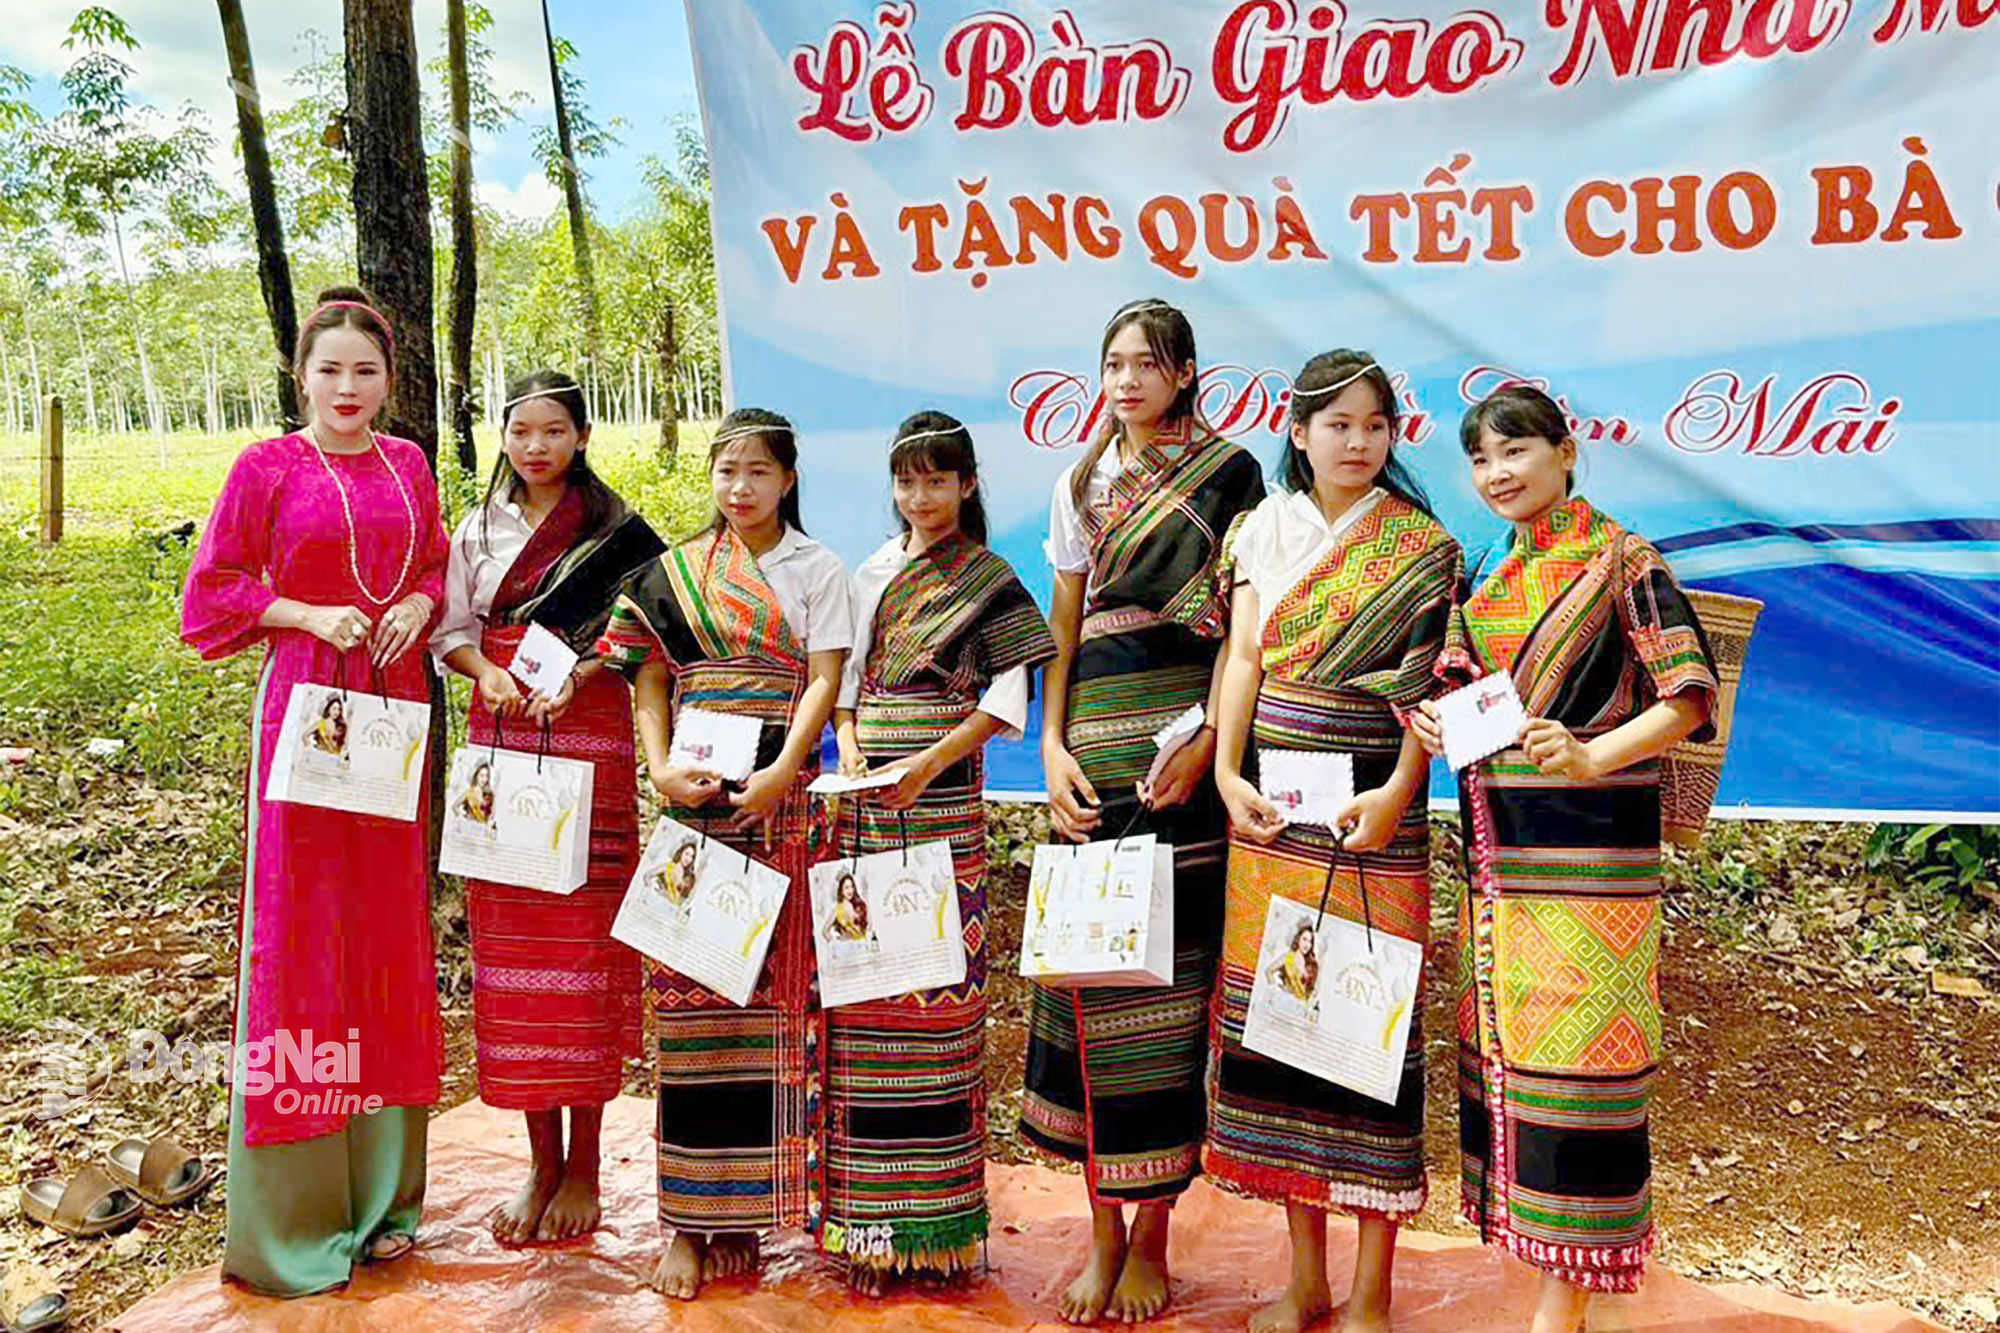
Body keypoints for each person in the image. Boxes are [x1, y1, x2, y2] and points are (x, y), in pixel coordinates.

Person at [1409, 383, 1718, 1333]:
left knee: (1585, 1067)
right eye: (1482, 460)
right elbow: (1474, 701)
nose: (1499, 474)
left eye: (1516, 453)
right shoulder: (1489, 568)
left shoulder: (1622, 559)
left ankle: (1562, 1309)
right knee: (1519, 1065)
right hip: (1503, 865)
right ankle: (1553, 1290)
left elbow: (1689, 697)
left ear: (1566, 452)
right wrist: (1436, 724)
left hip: (1594, 866)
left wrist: (1592, 754)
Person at [180, 285, 448, 1295]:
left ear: (388, 381)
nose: (347, 387)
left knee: (384, 932)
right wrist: (305, 611)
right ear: (301, 374)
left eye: (365, 371)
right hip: (305, 713)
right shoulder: (264, 468)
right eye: (329, 369)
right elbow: (211, 596)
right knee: (302, 937)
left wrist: (418, 605)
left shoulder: (407, 463)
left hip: (393, 710)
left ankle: (383, 1197)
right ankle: (297, 1212)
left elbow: (430, 563)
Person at [1206, 350, 1461, 1333]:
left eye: (1373, 425)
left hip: (1373, 813)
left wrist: (1400, 791)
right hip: (1270, 809)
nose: (1357, 442)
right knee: (1284, 1024)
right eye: (1337, 424)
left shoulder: (1422, 546)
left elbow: (1426, 692)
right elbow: (1240, 659)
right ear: (1298, 430)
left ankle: (1370, 1291)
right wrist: (1229, 774)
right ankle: (1302, 1276)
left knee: (1365, 1029)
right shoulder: (1257, 530)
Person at [1023, 298, 1265, 1324]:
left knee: (1165, 1000)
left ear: (1184, 373)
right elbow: (1065, 627)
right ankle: (1098, 1234)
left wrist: (1211, 743)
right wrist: (1048, 743)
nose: (1125, 381)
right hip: (1094, 752)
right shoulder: (1078, 480)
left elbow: (1239, 636)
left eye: (1146, 364)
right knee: (1088, 988)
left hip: (1183, 751)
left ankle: (1152, 1237)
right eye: (1112, 363)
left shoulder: (1232, 476)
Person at [595, 408, 854, 1300]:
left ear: (788, 478)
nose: (737, 487)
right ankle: (684, 1219)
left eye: (755, 471)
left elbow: (824, 678)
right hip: (694, 808)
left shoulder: (819, 570)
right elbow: (651, 677)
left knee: (763, 1010)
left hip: (777, 806)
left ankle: (741, 1211)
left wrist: (788, 767)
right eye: (724, 471)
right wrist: (661, 768)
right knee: (691, 1008)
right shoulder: (672, 574)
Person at [432, 369, 663, 1246]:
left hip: (588, 734)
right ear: (503, 437)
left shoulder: (618, 532)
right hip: (502, 733)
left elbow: (646, 630)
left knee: (586, 949)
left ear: (582, 437)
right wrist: (486, 672)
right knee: (515, 952)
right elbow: (451, 630)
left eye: (554, 431)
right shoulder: (478, 529)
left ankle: (589, 1167)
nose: (536, 447)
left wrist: (585, 670)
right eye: (521, 431)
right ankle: (538, 1161)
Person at [827, 411, 1056, 1294]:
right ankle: (871, 1236)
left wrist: (922, 765)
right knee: (867, 1002)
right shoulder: (870, 572)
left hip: (943, 804)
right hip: (868, 809)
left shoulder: (991, 581)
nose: (919, 498)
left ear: (966, 486)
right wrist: (850, 743)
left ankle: (941, 1234)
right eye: (906, 482)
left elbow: (1003, 707)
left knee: (937, 1002)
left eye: (936, 481)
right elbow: (844, 685)